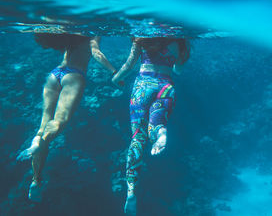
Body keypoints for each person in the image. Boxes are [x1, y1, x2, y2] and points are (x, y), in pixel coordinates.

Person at [17, 33, 117, 202]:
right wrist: (114, 71)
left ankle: (36, 179)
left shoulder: (74, 31)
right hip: (74, 75)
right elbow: (96, 53)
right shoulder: (93, 32)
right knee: (59, 122)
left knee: (43, 125)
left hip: (55, 74)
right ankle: (37, 149)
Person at [111, 37, 190, 215]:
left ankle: (131, 191)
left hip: (143, 86)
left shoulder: (141, 38)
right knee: (157, 122)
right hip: (166, 86)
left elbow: (129, 65)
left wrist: (116, 78)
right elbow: (178, 70)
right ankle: (161, 133)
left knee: (138, 136)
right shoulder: (178, 40)